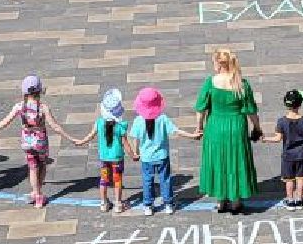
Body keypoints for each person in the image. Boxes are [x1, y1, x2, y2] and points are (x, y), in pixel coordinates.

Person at [195, 48, 262, 215]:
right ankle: (236, 201)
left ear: (218, 63)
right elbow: (251, 111)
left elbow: (201, 109)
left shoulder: (210, 83)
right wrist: (257, 128)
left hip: (215, 126)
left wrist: (199, 127)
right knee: (236, 160)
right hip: (236, 126)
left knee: (218, 160)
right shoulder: (241, 83)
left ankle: (220, 200)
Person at [0, 75, 77, 208]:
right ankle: (39, 194)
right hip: (40, 142)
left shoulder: (19, 107)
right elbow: (55, 126)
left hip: (27, 142)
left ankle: (36, 193)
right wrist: (71, 138)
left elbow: (6, 120)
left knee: (32, 168)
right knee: (42, 164)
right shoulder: (43, 108)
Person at [131, 86, 194, 214]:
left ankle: (148, 205)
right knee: (165, 179)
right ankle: (168, 204)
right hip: (162, 156)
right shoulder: (162, 119)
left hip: (146, 157)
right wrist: (192, 135)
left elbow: (135, 139)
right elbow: (176, 131)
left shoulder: (138, 121)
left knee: (147, 180)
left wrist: (135, 152)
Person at [85, 88, 131, 212]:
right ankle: (118, 204)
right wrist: (133, 154)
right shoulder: (120, 126)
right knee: (117, 180)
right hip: (117, 158)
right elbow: (125, 143)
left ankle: (103, 203)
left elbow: (90, 135)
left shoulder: (99, 123)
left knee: (104, 180)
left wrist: (81, 141)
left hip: (104, 159)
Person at [275, 89, 303, 209]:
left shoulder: (281, 121)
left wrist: (265, 139)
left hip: (287, 156)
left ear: (286, 104)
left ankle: (290, 201)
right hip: (301, 154)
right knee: (301, 178)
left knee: (289, 179)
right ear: (300, 104)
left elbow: (277, 138)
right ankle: (300, 200)